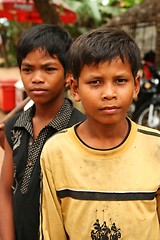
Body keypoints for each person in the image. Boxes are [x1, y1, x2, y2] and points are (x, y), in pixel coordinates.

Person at [40, 27, 160, 240]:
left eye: (120, 81)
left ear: (136, 85)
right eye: (95, 82)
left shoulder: (155, 148)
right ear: (75, 88)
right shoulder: (56, 152)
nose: (109, 93)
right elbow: (52, 232)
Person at [0, 24, 85, 240]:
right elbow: (5, 193)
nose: (36, 78)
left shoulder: (81, 130)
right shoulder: (14, 127)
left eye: (49, 69)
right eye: (28, 69)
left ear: (68, 76)